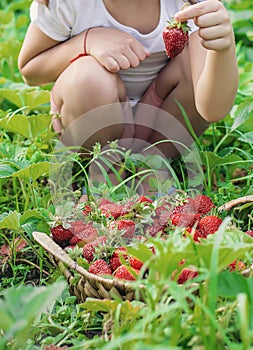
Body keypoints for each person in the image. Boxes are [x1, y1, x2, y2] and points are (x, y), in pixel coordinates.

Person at [18, 0, 238, 158]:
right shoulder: (70, 4)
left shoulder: (192, 5)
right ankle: (103, 171)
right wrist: (86, 42)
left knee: (200, 49)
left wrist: (223, 47)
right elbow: (31, 69)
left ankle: (154, 164)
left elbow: (213, 110)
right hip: (90, 117)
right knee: (89, 78)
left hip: (163, 115)